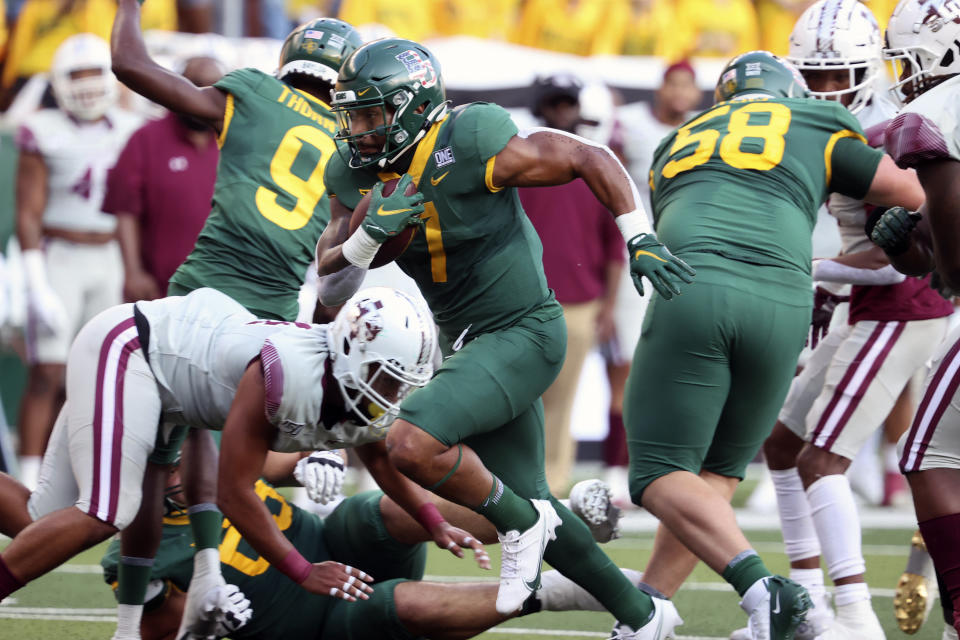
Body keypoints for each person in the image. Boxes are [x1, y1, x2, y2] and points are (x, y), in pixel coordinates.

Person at [316, 37, 695, 639]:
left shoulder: (469, 140)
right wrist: (364, 241)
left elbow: (588, 156)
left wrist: (638, 236)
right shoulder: (357, 172)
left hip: (523, 328)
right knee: (536, 497)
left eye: (371, 114)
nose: (357, 130)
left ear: (413, 107)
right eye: (353, 115)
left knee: (411, 444)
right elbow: (329, 289)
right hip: (467, 341)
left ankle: (521, 527)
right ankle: (644, 616)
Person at [625, 49, 925, 640]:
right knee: (714, 476)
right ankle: (648, 611)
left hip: (697, 287)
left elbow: (681, 219)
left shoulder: (678, 139)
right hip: (785, 298)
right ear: (791, 90)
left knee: (658, 473)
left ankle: (775, 595)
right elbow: (913, 193)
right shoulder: (814, 121)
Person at [109, 5, 363, 637]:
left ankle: (128, 621)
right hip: (274, 311)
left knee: (160, 453)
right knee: (213, 440)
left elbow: (129, 65)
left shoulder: (252, 91)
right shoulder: (350, 144)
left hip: (204, 288)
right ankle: (207, 574)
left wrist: (128, 7)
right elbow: (338, 265)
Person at [0, 287, 445, 617]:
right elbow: (234, 491)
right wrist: (302, 570)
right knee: (108, 509)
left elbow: (380, 458)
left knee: (42, 525)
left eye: (402, 380)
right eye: (388, 377)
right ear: (351, 350)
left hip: (164, 379)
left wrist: (434, 520)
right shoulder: (285, 373)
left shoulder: (348, 384)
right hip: (132, 347)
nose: (395, 391)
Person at [724, 3, 953, 639]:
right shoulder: (826, 122)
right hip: (869, 304)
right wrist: (826, 280)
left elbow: (906, 258)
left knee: (824, 461)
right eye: (816, 77)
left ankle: (853, 618)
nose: (828, 89)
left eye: (839, 75)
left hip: (906, 307)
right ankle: (807, 604)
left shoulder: (893, 130)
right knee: (782, 444)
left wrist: (811, 269)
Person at [98, 459, 640, 640]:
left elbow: (280, 462)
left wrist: (313, 461)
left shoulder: (213, 457)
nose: (177, 471)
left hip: (330, 545)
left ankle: (551, 514)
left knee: (368, 511)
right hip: (312, 624)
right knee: (391, 604)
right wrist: (202, 622)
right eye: (161, 464)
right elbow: (159, 633)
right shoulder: (135, 552)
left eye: (176, 455)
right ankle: (565, 589)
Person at [868, 0, 960, 636]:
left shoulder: (942, 110)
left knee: (926, 453)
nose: (904, 73)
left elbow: (951, 273)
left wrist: (915, 251)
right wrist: (912, 246)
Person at [14, 33, 141, 491]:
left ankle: (84, 478)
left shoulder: (130, 127)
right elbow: (27, 212)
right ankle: (28, 481)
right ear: (59, 82)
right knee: (47, 371)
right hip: (60, 254)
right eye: (77, 75)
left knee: (96, 373)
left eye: (95, 74)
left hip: (110, 253)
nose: (87, 86)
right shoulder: (41, 129)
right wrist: (35, 281)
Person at [520, 73, 625, 492]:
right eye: (555, 102)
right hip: (523, 300)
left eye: (568, 103)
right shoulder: (516, 156)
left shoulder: (599, 158)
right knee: (518, 397)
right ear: (541, 106)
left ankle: (553, 483)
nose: (562, 110)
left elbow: (615, 238)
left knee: (562, 398)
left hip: (580, 301)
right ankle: (511, 478)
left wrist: (610, 306)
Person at [103, 55, 224, 303]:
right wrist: (133, 272)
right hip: (158, 289)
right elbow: (125, 212)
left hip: (219, 291)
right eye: (196, 84)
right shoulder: (145, 139)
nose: (204, 95)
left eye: (214, 87)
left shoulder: (236, 142)